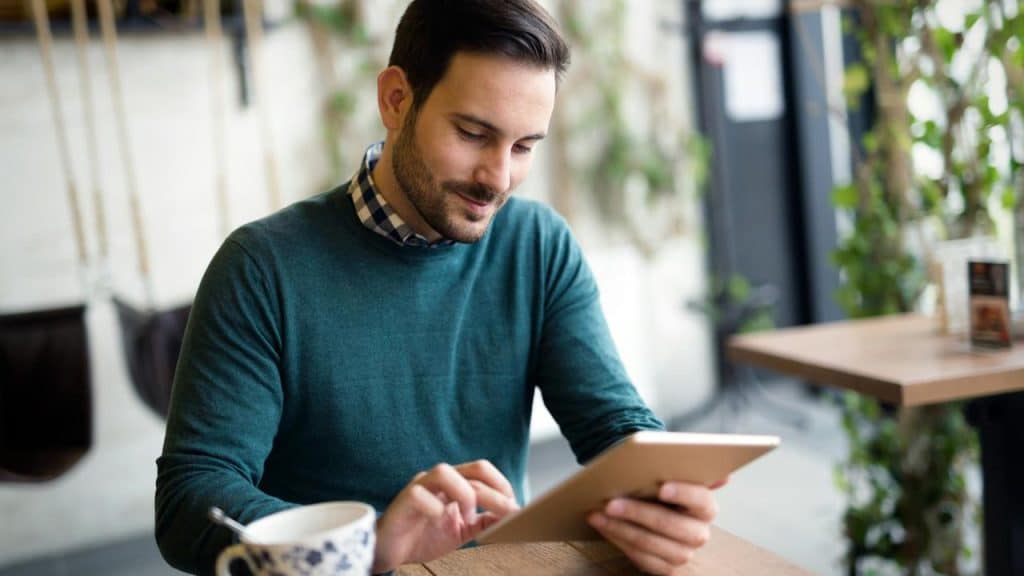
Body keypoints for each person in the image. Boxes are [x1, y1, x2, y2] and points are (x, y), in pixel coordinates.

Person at [155, 1, 723, 574]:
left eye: (524, 147)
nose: (498, 179)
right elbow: (191, 498)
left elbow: (613, 424)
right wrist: (367, 547)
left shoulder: (538, 247)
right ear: (396, 100)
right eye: (474, 134)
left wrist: (662, 488)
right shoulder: (262, 267)